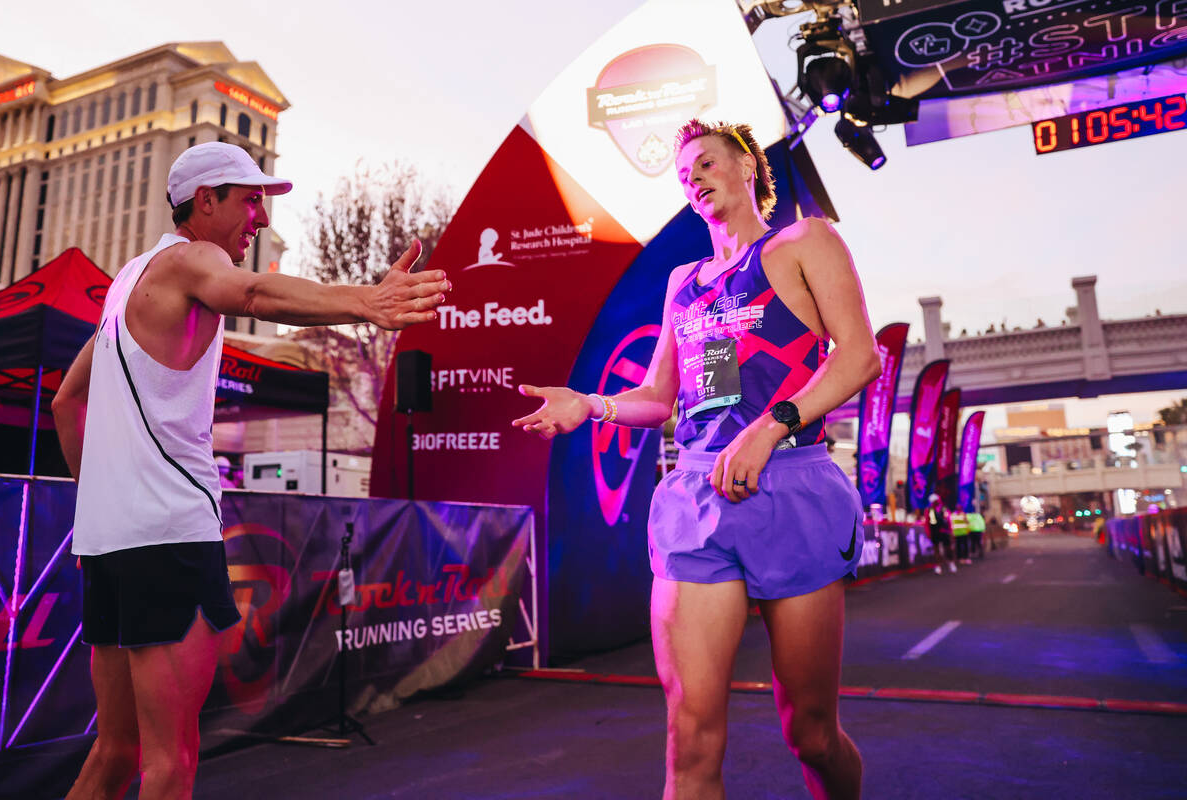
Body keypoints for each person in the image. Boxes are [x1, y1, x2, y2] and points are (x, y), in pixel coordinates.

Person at [51, 141, 450, 800]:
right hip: (168, 539)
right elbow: (258, 291)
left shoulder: (126, 283)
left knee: (116, 751)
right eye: (250, 200)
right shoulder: (190, 259)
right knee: (171, 763)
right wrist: (366, 303)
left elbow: (68, 401)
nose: (261, 219)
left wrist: (98, 505)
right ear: (204, 202)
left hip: (109, 546)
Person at [512, 119, 879, 799]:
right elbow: (660, 396)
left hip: (792, 490)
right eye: (684, 176)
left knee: (811, 734)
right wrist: (591, 404)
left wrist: (771, 427)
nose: (695, 179)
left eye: (707, 163)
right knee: (691, 735)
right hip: (695, 501)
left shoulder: (806, 240)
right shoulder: (685, 280)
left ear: (748, 166)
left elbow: (859, 355)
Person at [925, 494, 956, 574]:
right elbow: (929, 523)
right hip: (935, 532)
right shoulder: (930, 510)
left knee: (948, 548)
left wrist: (950, 531)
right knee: (936, 549)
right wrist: (929, 533)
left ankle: (951, 562)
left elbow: (948, 520)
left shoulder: (944, 509)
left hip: (945, 532)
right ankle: (938, 566)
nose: (935, 502)